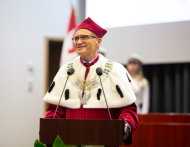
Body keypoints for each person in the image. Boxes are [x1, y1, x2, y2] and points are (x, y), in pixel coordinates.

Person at [43, 17, 139, 147]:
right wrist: (51, 128)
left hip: (105, 142)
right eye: (76, 38)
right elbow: (55, 110)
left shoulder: (116, 70)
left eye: (84, 37)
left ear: (98, 41)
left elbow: (128, 110)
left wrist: (124, 125)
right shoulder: (66, 71)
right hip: (70, 143)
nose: (78, 41)